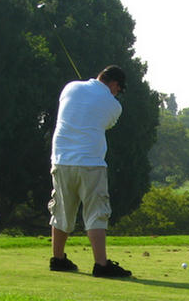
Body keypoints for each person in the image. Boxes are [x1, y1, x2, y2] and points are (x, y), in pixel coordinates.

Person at [48, 65, 132, 278]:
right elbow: (107, 124)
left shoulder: (70, 87)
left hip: (61, 160)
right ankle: (101, 265)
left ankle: (58, 259)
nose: (117, 93)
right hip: (91, 163)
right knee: (96, 212)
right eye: (119, 89)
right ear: (114, 84)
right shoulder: (114, 105)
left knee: (61, 210)